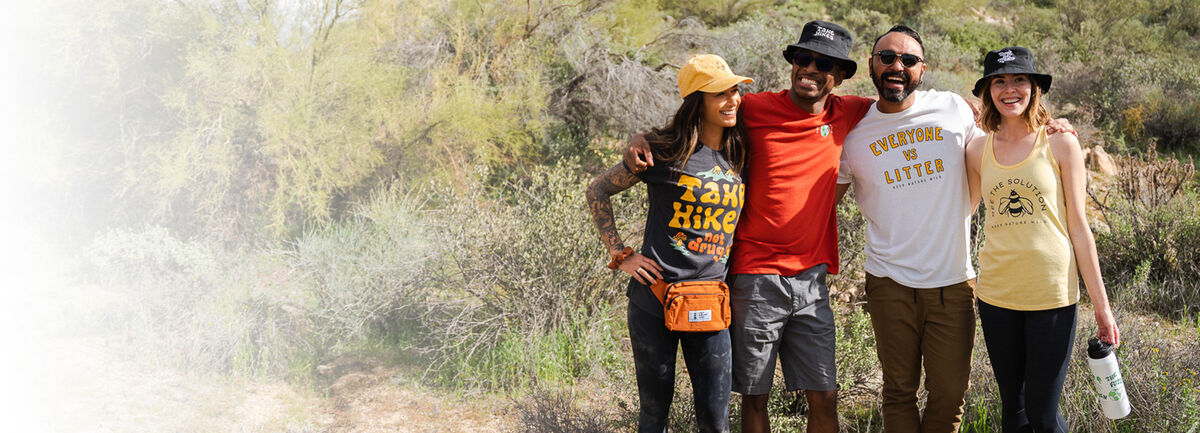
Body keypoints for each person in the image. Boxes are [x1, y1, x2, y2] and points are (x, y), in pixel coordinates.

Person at [627, 21, 874, 433]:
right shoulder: (753, 108)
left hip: (812, 280)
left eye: (824, 63)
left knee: (825, 396)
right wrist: (639, 139)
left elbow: (900, 104)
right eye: (803, 58)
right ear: (793, 63)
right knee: (754, 398)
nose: (810, 68)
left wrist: (965, 106)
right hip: (754, 275)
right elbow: (696, 116)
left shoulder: (850, 112)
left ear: (841, 75)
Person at [586, 53, 752, 433]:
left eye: (734, 91)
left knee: (715, 421)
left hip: (710, 304)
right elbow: (597, 189)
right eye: (719, 94)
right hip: (653, 302)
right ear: (697, 101)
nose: (732, 100)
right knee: (653, 417)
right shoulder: (661, 151)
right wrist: (619, 253)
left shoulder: (741, 150)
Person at [964, 46, 1120, 433]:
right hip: (996, 295)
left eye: (1020, 79)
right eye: (999, 81)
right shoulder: (977, 149)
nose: (1009, 89)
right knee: (1012, 413)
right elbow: (960, 215)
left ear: (1035, 88)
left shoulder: (1061, 143)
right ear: (987, 91)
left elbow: (1080, 227)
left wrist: (1102, 307)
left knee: (1043, 414)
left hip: (1051, 295)